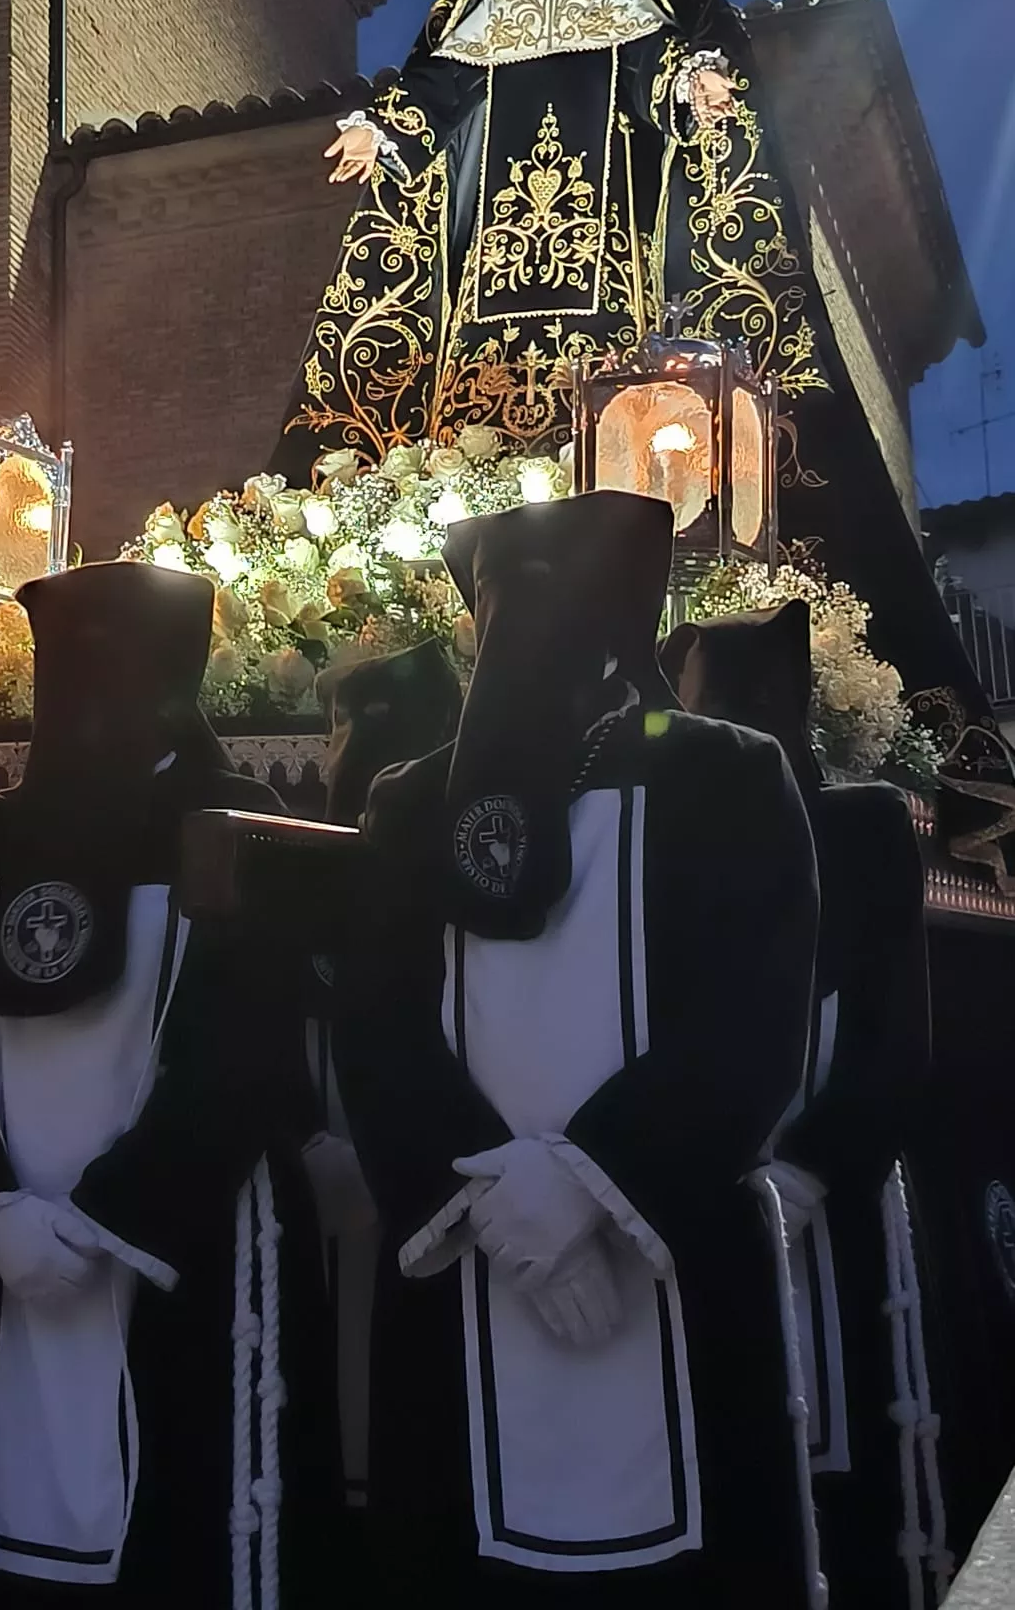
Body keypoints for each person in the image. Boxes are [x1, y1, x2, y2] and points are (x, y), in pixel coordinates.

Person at [271, 0, 994, 752]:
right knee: (467, 434)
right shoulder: (486, 7)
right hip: (485, 286)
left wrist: (695, 79)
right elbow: (437, 87)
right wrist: (383, 131)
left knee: (597, 425)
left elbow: (669, 72)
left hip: (599, 285)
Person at [332, 493, 823, 1606]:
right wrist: (498, 1203)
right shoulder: (412, 805)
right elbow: (376, 1029)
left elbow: (754, 1023)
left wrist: (595, 1179)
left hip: (666, 1249)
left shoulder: (728, 775)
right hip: (471, 1260)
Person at [0, 561, 337, 1603]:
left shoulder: (239, 822)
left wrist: (103, 1216)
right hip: (4, 1246)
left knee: (179, 1518)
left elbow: (250, 1052)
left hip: (179, 1246)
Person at [662, 603, 947, 1606]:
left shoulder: (864, 829)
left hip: (827, 1192)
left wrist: (813, 1161)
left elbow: (893, 1036)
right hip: (722, 1198)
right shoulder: (671, 832)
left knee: (851, 1460)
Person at [303, 640, 464, 1525]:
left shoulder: (445, 849)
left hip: (419, 1169)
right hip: (324, 1158)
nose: (355, 761)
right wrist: (302, 1135)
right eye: (348, 739)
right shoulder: (306, 862)